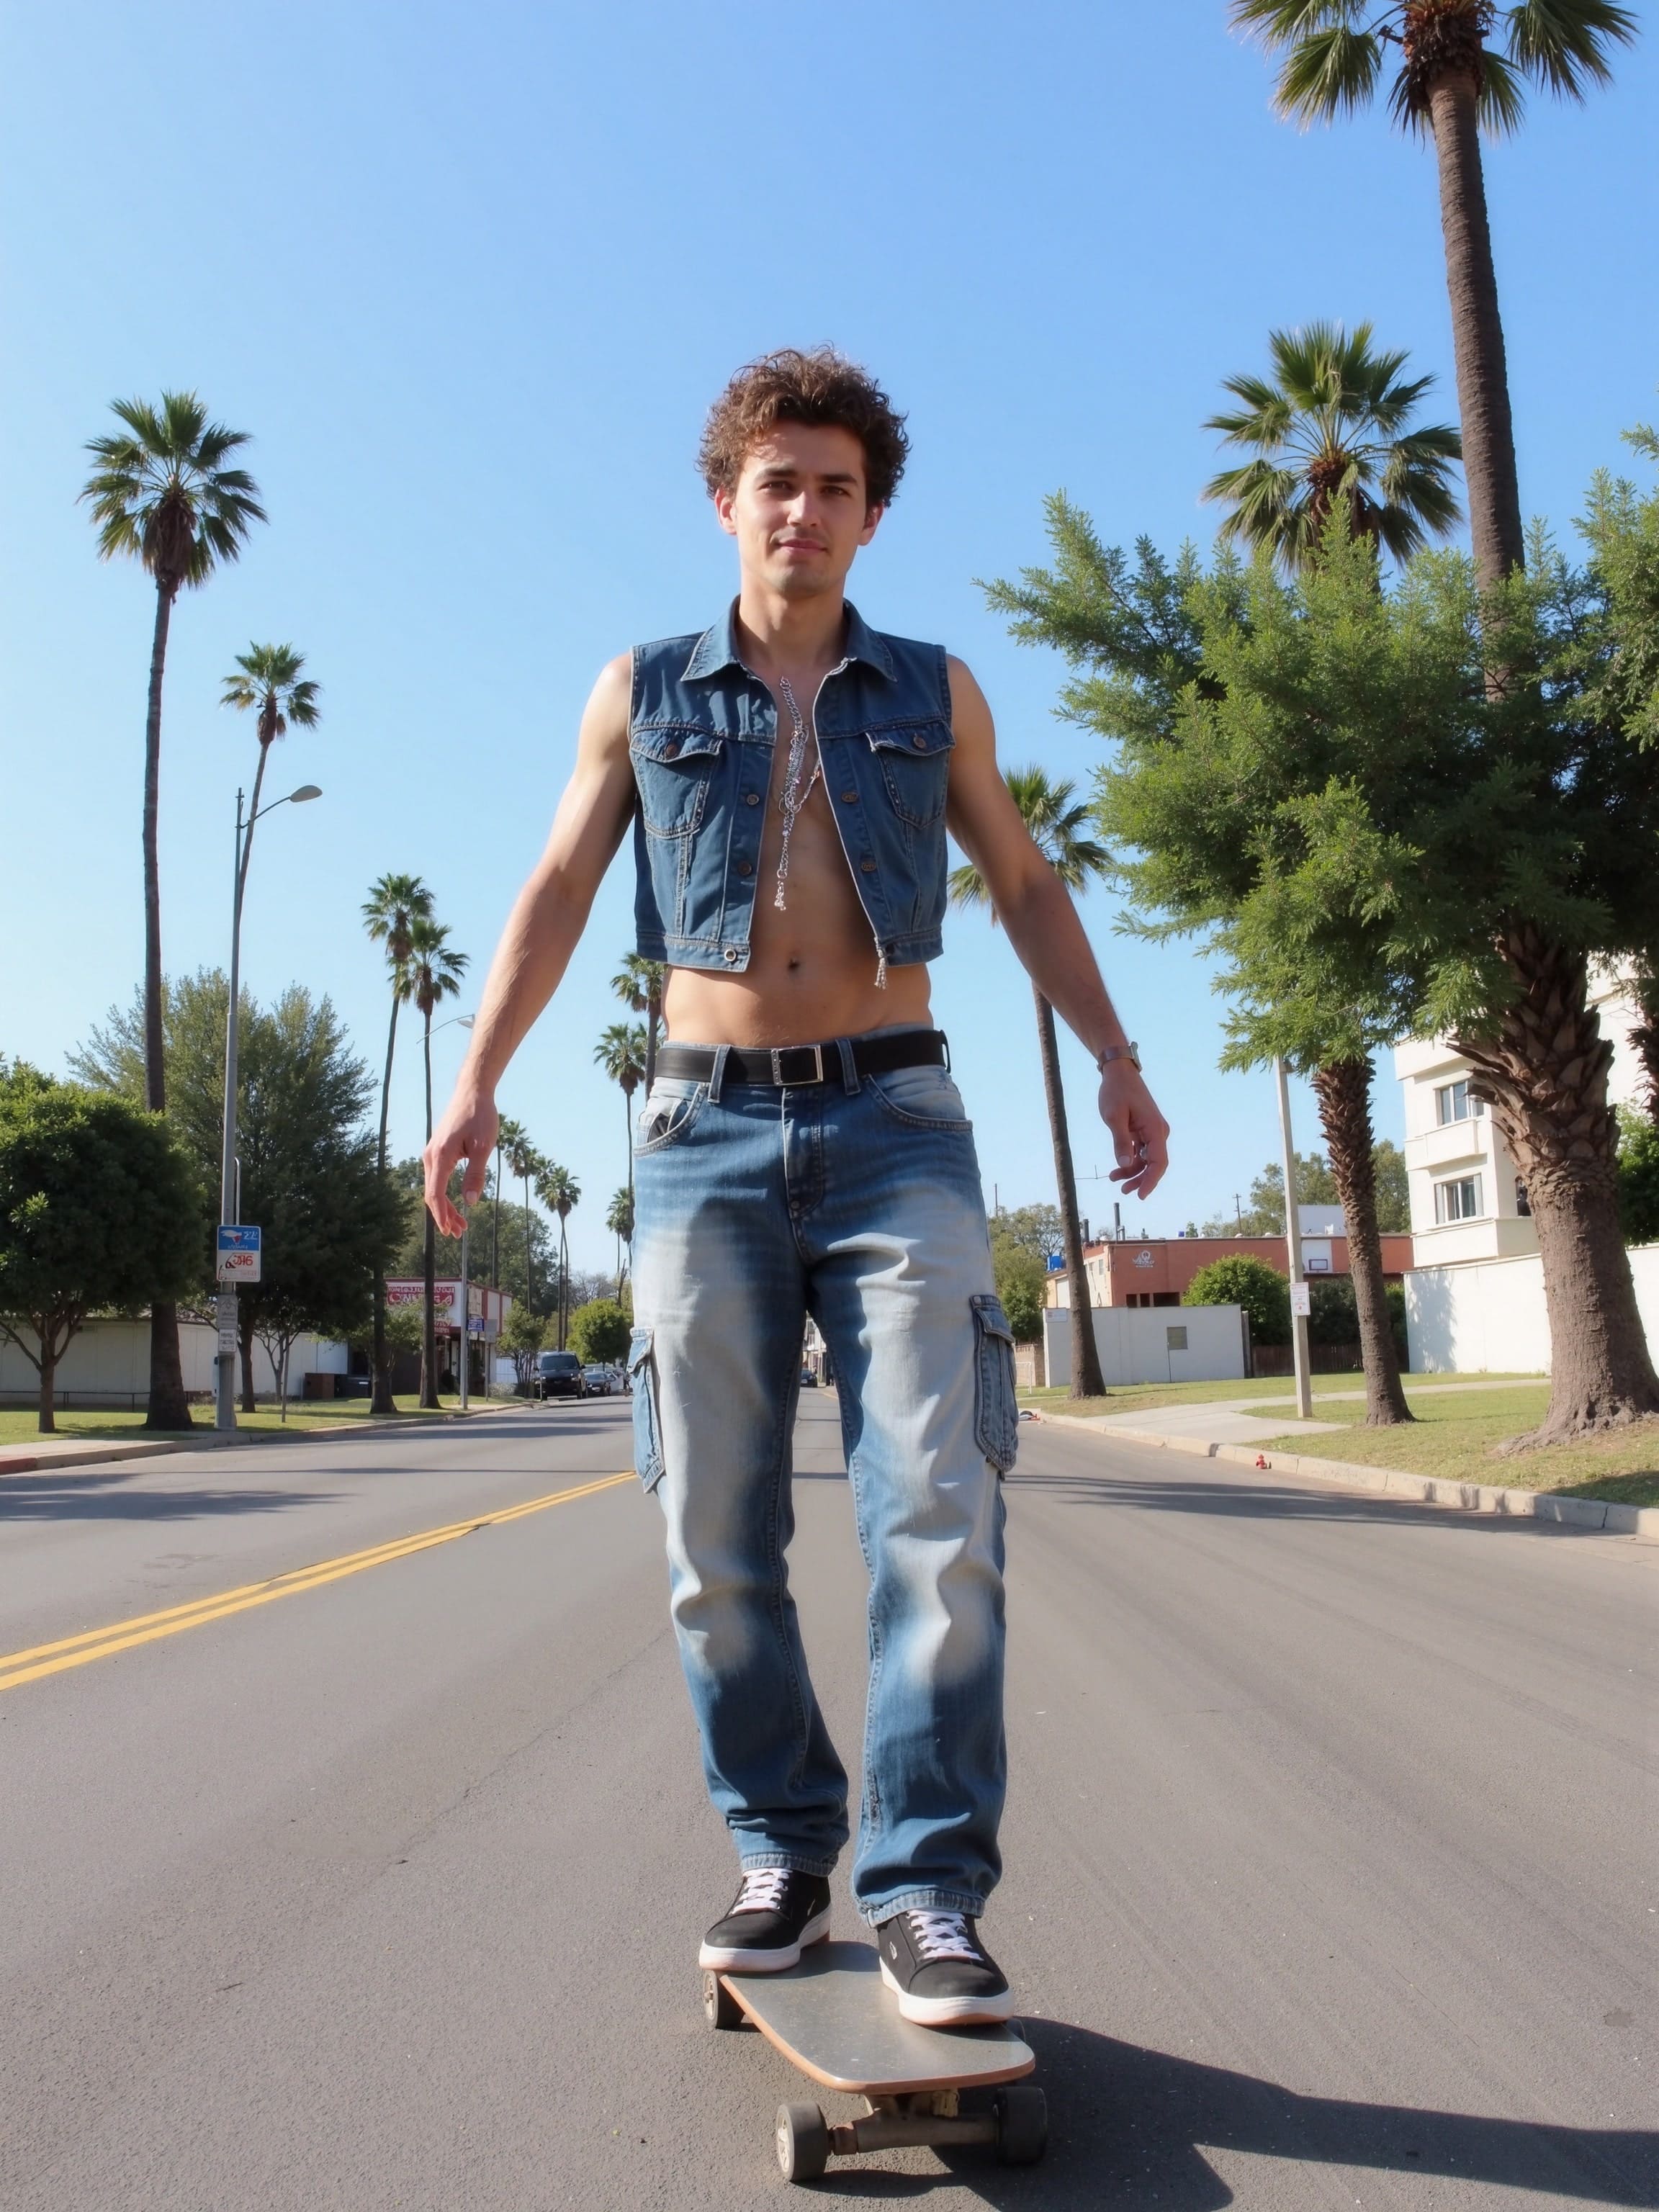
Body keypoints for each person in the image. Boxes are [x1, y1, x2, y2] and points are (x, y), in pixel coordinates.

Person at [424, 348, 1168, 2026]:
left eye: (837, 487)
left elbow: (1028, 880)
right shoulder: (642, 689)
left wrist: (1117, 1053)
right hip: (699, 1134)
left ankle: (925, 1893)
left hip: (900, 1120)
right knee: (712, 1531)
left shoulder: (936, 688)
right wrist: (473, 1082)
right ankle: (778, 1848)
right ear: (727, 503)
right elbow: (553, 886)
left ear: (871, 515)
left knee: (937, 1512)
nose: (807, 511)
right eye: (780, 482)